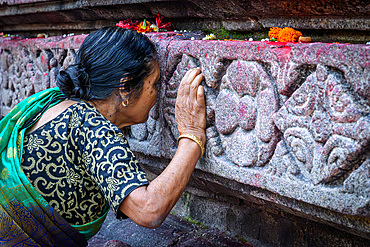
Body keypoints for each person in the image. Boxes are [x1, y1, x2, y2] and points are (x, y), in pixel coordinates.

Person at [0, 26, 206, 246]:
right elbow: (148, 209)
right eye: (154, 84)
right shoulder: (93, 127)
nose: (157, 94)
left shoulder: (53, 102)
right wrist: (191, 137)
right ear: (126, 87)